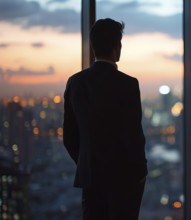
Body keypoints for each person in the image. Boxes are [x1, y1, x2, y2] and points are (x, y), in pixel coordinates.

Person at [63, 18, 147, 220]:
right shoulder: (128, 84)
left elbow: (69, 137)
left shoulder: (75, 83)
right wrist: (140, 173)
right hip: (123, 179)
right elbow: (133, 136)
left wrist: (88, 163)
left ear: (93, 46)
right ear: (117, 47)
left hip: (91, 179)